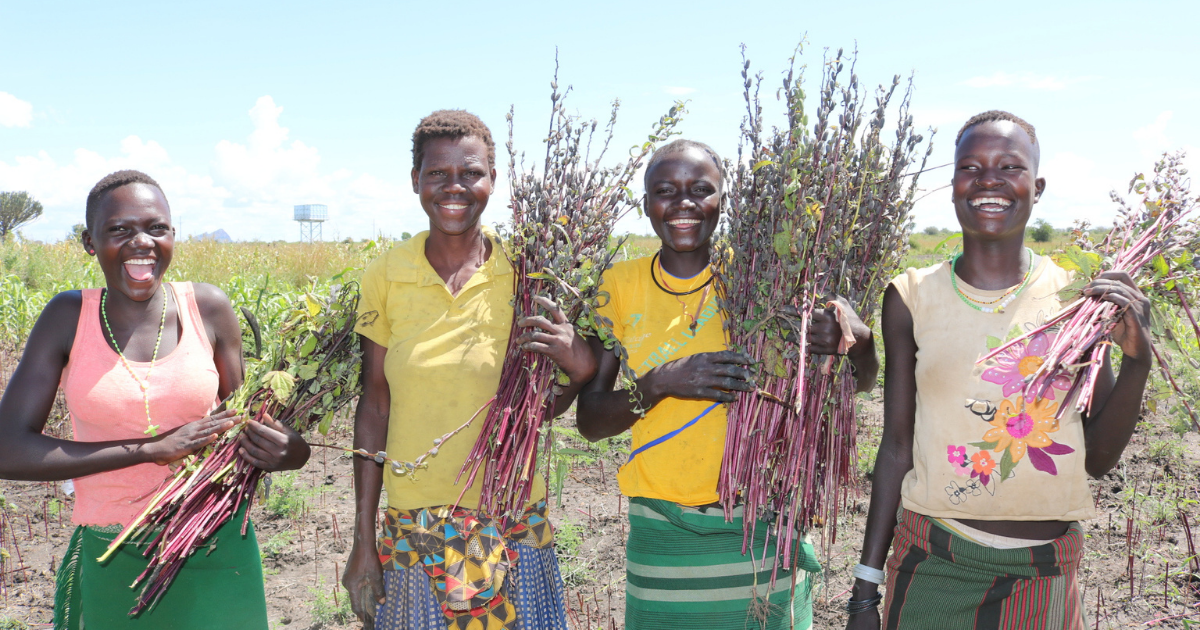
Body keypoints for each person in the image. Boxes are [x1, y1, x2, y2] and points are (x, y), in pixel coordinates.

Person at [845, 111, 1152, 629]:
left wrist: (1138, 361)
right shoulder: (911, 297)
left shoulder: (1079, 299)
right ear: (953, 186)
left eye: (1009, 166)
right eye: (971, 166)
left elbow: (1096, 462)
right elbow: (896, 446)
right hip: (933, 564)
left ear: (1038, 186)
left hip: (1046, 574)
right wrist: (863, 593)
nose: (989, 179)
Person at [575, 139, 879, 630]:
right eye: (665, 190)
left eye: (700, 189)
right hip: (662, 530)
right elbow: (589, 422)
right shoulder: (617, 286)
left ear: (722, 200)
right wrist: (661, 383)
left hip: (761, 527)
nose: (683, 204)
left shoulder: (766, 281)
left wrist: (858, 341)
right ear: (646, 202)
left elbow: (861, 384)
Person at [0, 170, 310, 629]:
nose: (141, 242)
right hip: (113, 548)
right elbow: (8, 449)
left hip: (214, 541)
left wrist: (290, 451)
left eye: (155, 227)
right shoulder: (68, 317)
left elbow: (245, 422)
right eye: (119, 230)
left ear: (172, 235)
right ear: (90, 242)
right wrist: (150, 449)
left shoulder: (208, 309)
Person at [342, 110, 593, 630]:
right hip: (417, 524)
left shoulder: (528, 272)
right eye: (437, 174)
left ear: (493, 181)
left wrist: (576, 366)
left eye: (471, 172)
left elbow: (548, 398)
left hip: (511, 517)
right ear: (415, 181)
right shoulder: (386, 274)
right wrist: (363, 540)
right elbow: (374, 404)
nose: (454, 186)